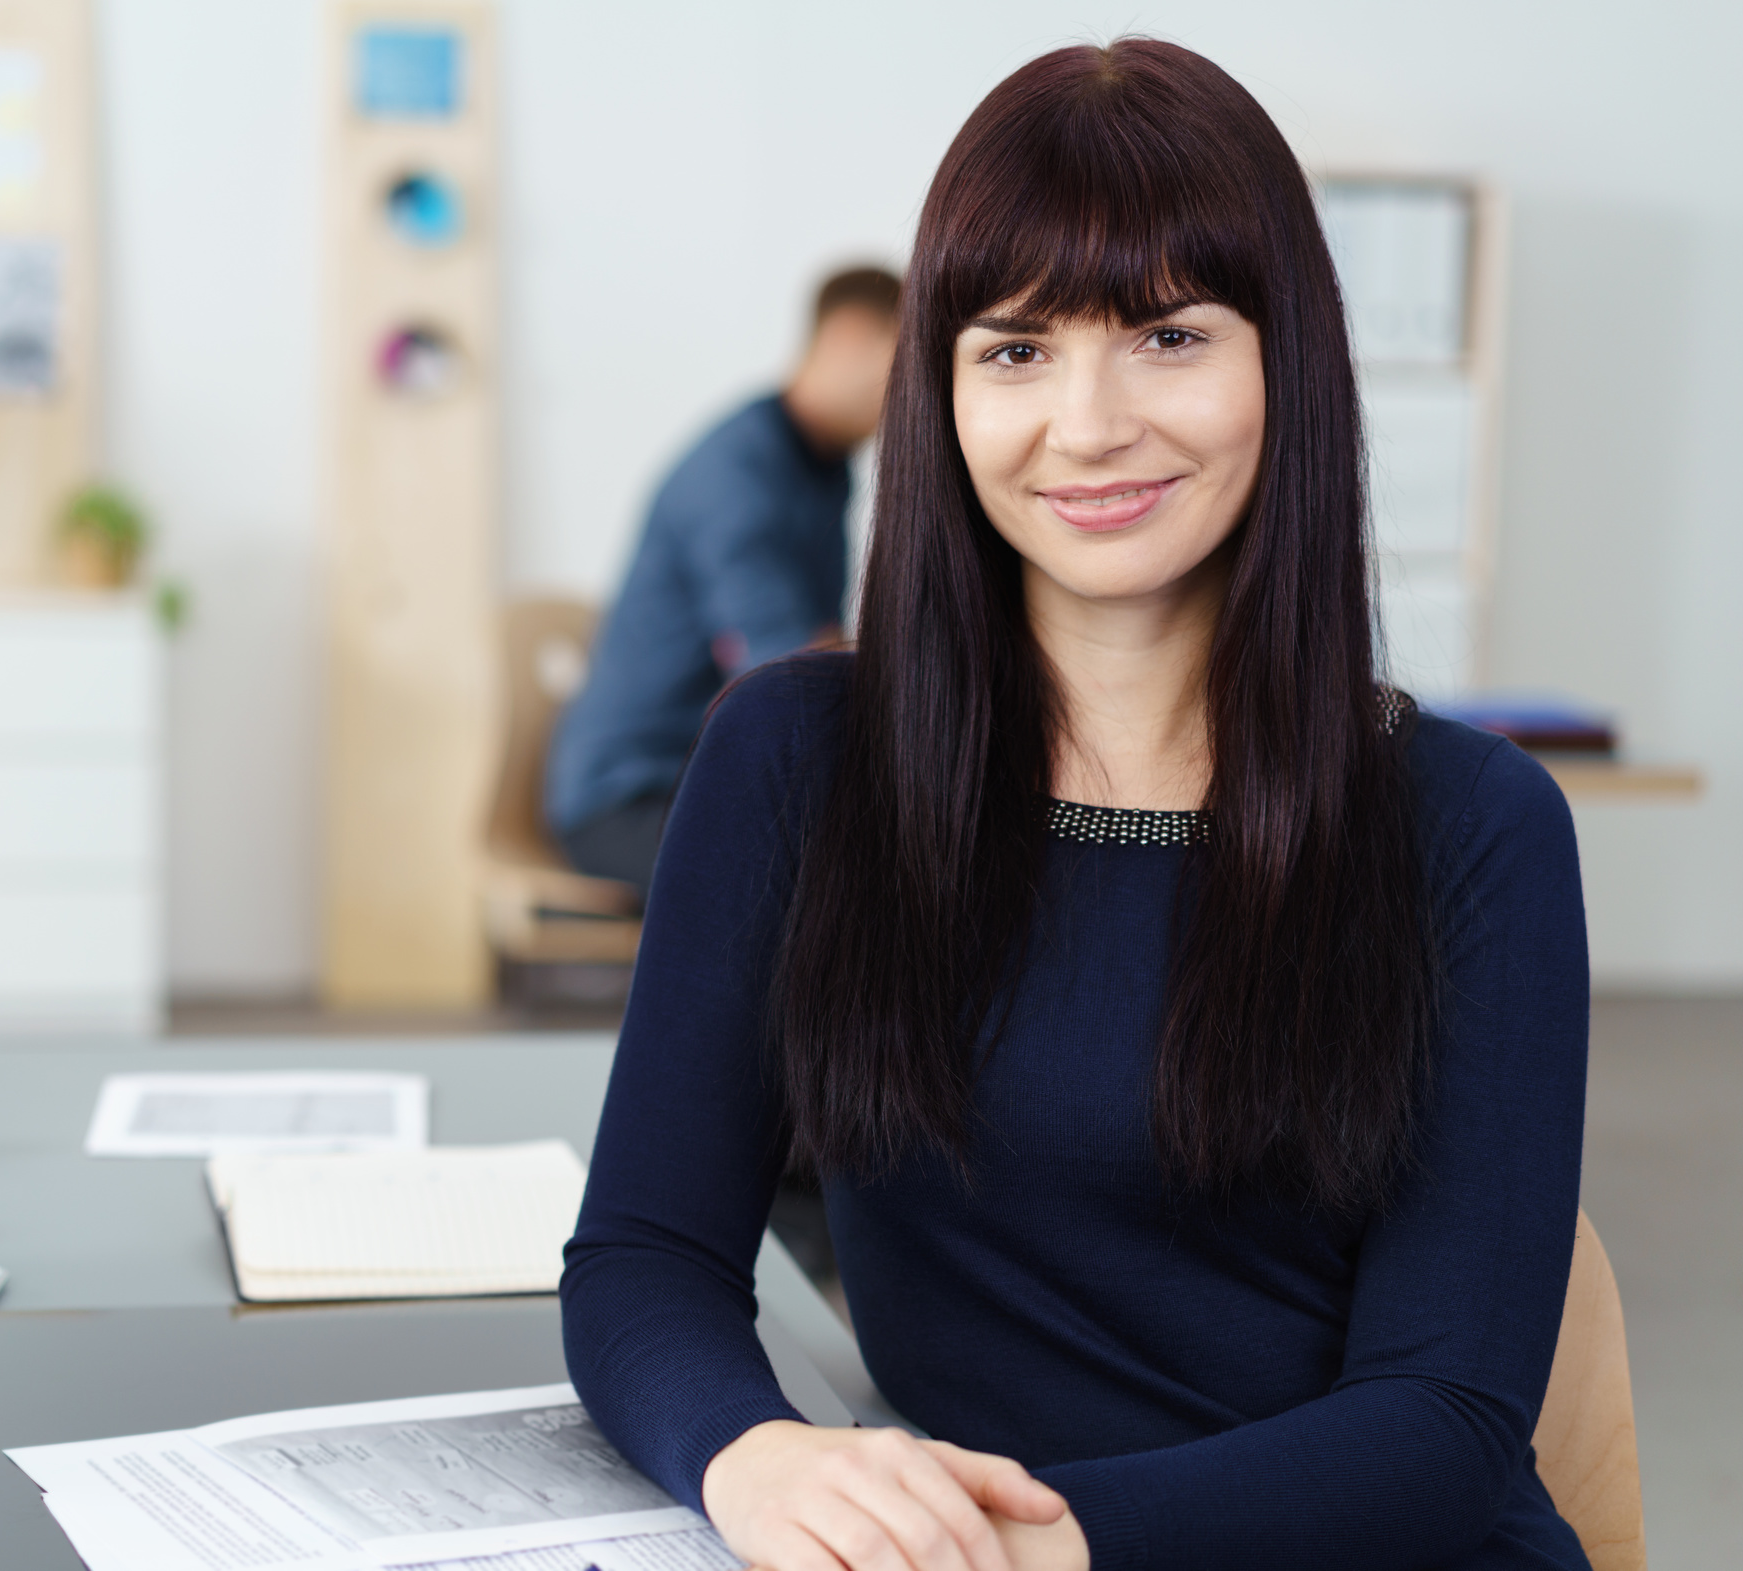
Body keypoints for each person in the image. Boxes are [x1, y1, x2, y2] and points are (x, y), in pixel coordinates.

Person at [560, 38, 1589, 1571]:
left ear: (1282, 361)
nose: (1088, 423)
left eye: (1167, 337)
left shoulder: (1466, 822)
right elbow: (644, 1254)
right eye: (1015, 348)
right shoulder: (793, 761)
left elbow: (1442, 1417)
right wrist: (753, 1455)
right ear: (941, 387)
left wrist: (1034, 1547)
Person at [545, 267, 901, 903]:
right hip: (628, 794)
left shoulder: (822, 467)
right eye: (906, 369)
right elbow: (783, 665)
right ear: (849, 338)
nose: (914, 400)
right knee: (841, 872)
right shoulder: (735, 474)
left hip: (705, 777)